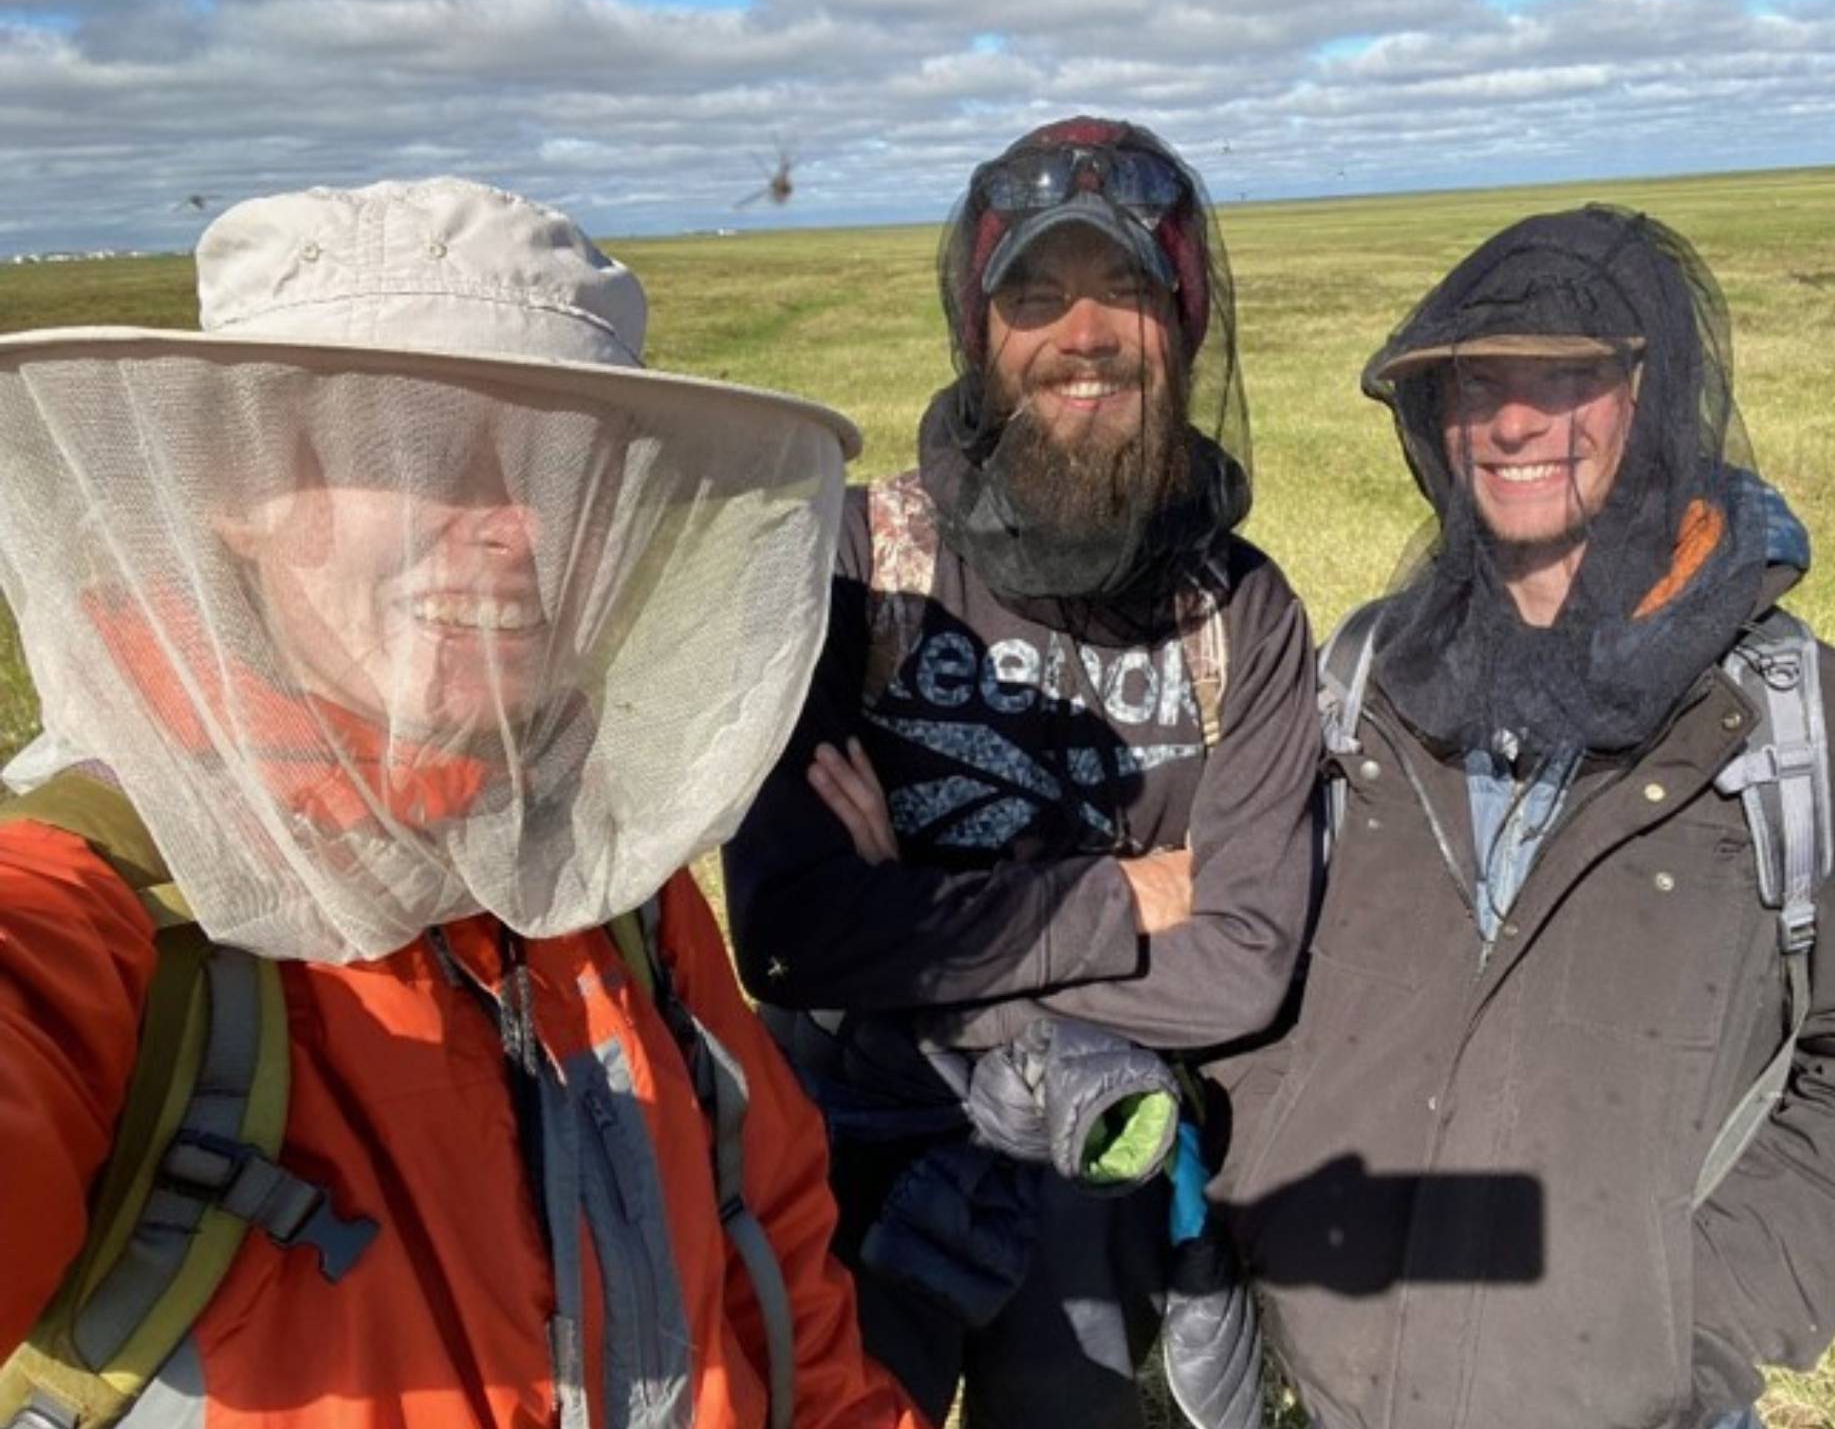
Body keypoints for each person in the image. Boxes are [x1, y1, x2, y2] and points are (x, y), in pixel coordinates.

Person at [0, 178, 929, 1429]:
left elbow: (784, 1290)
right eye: (424, 449)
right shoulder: (90, 903)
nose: (513, 527)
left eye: (563, 468)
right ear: (235, 487)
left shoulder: (616, 892)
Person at [1210, 205, 1835, 1429]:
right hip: (1339, 1393)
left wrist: (1699, 1312)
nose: (1513, 420)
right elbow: (1265, 960)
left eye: (1566, 374)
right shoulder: (1363, 687)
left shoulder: (1818, 725)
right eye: (1478, 381)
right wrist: (1261, 1184)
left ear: (1654, 389)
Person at [722, 118, 1320, 1427]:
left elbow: (1247, 960)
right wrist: (1121, 892)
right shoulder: (856, 562)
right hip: (851, 1160)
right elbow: (787, 931)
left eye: (1128, 294)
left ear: (1186, 328)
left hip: (1107, 1183)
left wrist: (920, 947)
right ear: (978, 331)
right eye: (1036, 296)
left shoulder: (1247, 613)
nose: (1084, 333)